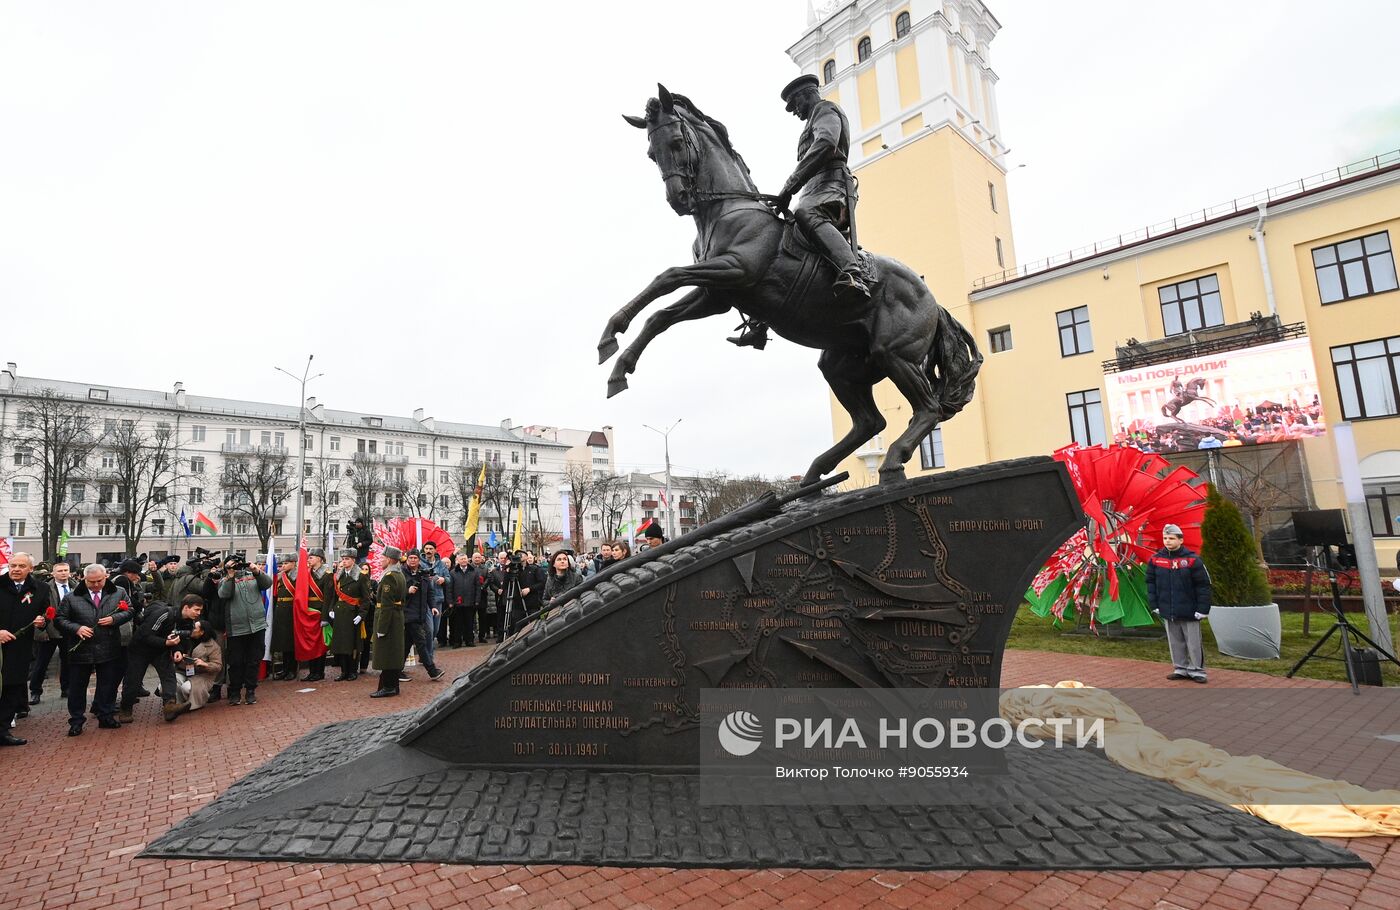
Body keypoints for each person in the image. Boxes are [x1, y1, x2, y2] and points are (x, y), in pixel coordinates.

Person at [733, 73, 865, 349]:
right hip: (814, 188)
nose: (794, 112)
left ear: (806, 94)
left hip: (832, 186)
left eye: (795, 105)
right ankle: (760, 320)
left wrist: (789, 187)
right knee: (781, 237)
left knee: (807, 214)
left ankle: (852, 272)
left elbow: (826, 144)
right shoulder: (811, 119)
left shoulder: (826, 110)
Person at [57, 564, 133, 736]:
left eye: (100, 580)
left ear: (105, 576)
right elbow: (60, 619)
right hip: (81, 649)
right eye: (92, 582)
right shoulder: (71, 597)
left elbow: (130, 610)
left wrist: (114, 619)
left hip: (108, 646)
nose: (96, 585)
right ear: (85, 579)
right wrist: (77, 628)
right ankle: (76, 720)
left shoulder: (118, 592)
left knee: (107, 684)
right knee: (77, 686)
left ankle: (105, 716)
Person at [117, 593, 202, 724]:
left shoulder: (188, 622)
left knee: (169, 676)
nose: (198, 613)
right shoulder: (164, 614)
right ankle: (126, 709)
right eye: (196, 609)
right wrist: (166, 643)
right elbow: (145, 635)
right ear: (186, 607)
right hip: (140, 650)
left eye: (200, 610)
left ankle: (170, 706)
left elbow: (179, 639)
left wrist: (177, 650)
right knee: (133, 680)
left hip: (160, 651)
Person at [1146, 523, 1213, 684]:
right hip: (1168, 608)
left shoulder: (1192, 559)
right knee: (1175, 641)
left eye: (1171, 538)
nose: (1167, 541)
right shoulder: (1156, 560)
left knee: (1193, 642)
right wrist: (1154, 604)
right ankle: (1180, 668)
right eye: (1165, 538)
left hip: (1190, 609)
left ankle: (1197, 670)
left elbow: (1203, 585)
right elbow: (1150, 583)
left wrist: (1203, 609)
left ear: (1180, 540)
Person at [1, 553, 48, 745]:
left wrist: (42, 622)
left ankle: (3, 731)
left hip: (20, 648)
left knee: (12, 689)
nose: (16, 569)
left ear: (30, 568)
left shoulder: (40, 589)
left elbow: (46, 614)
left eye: (21, 566)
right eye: (13, 565)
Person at [216, 559, 272, 706]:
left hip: (257, 626)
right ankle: (235, 692)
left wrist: (256, 571)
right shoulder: (225, 580)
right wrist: (230, 575)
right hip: (236, 628)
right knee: (235, 662)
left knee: (254, 660)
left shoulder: (252, 576)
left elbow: (267, 583)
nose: (237, 566)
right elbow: (224, 594)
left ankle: (250, 690)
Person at [31, 559, 72, 707]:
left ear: (70, 572)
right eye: (60, 571)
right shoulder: (45, 588)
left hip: (68, 631)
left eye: (65, 570)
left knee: (67, 662)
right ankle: (35, 691)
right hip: (49, 630)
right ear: (53, 573)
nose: (63, 573)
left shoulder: (76, 587)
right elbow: (38, 610)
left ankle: (66, 688)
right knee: (41, 663)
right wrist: (41, 631)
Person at [401, 551, 445, 682]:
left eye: (415, 558)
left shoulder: (424, 574)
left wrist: (433, 607)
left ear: (419, 560)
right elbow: (396, 592)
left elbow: (430, 593)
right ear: (407, 559)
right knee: (421, 642)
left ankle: (396, 671)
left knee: (407, 643)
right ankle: (432, 671)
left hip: (420, 613)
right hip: (408, 613)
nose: (413, 560)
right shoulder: (402, 573)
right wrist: (407, 591)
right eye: (411, 558)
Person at [166, 619, 222, 721]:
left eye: (194, 628)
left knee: (185, 688)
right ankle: (178, 705)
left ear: (202, 631)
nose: (191, 630)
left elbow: (218, 666)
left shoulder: (214, 646)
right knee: (166, 685)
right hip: (184, 671)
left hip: (203, 676)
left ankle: (194, 701)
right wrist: (181, 657)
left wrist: (204, 664)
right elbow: (177, 652)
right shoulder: (188, 640)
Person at [371, 546, 407, 698]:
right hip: (396, 616)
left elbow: (386, 605)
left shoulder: (389, 577)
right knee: (392, 652)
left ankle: (389, 686)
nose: (380, 560)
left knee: (387, 653)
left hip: (389, 618)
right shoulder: (399, 575)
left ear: (390, 559)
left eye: (383, 557)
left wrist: (382, 628)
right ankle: (392, 685)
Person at [330, 549, 368, 681]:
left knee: (352, 644)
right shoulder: (339, 576)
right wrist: (332, 609)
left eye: (347, 559)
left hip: (353, 613)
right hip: (340, 613)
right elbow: (334, 595)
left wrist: (361, 614)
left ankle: (352, 671)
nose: (344, 561)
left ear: (353, 560)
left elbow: (365, 599)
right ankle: (343, 671)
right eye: (343, 559)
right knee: (341, 644)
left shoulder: (361, 576)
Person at [420, 541, 451, 652]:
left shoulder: (441, 564)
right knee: (429, 628)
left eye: (431, 549)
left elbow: (448, 578)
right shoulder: (420, 563)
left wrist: (443, 579)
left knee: (435, 629)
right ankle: (428, 654)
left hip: (438, 598)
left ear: (435, 550)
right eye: (426, 548)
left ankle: (425, 650)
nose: (428, 551)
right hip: (425, 600)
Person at [447, 552, 478, 647]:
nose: (463, 561)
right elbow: (449, 588)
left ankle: (469, 640)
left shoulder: (474, 571)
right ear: (458, 561)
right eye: (461, 559)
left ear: (467, 560)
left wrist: (477, 600)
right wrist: (450, 601)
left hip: (470, 601)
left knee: (469, 623)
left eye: (465, 559)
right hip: (457, 602)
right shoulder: (452, 572)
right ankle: (457, 642)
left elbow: (477, 587)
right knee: (457, 624)